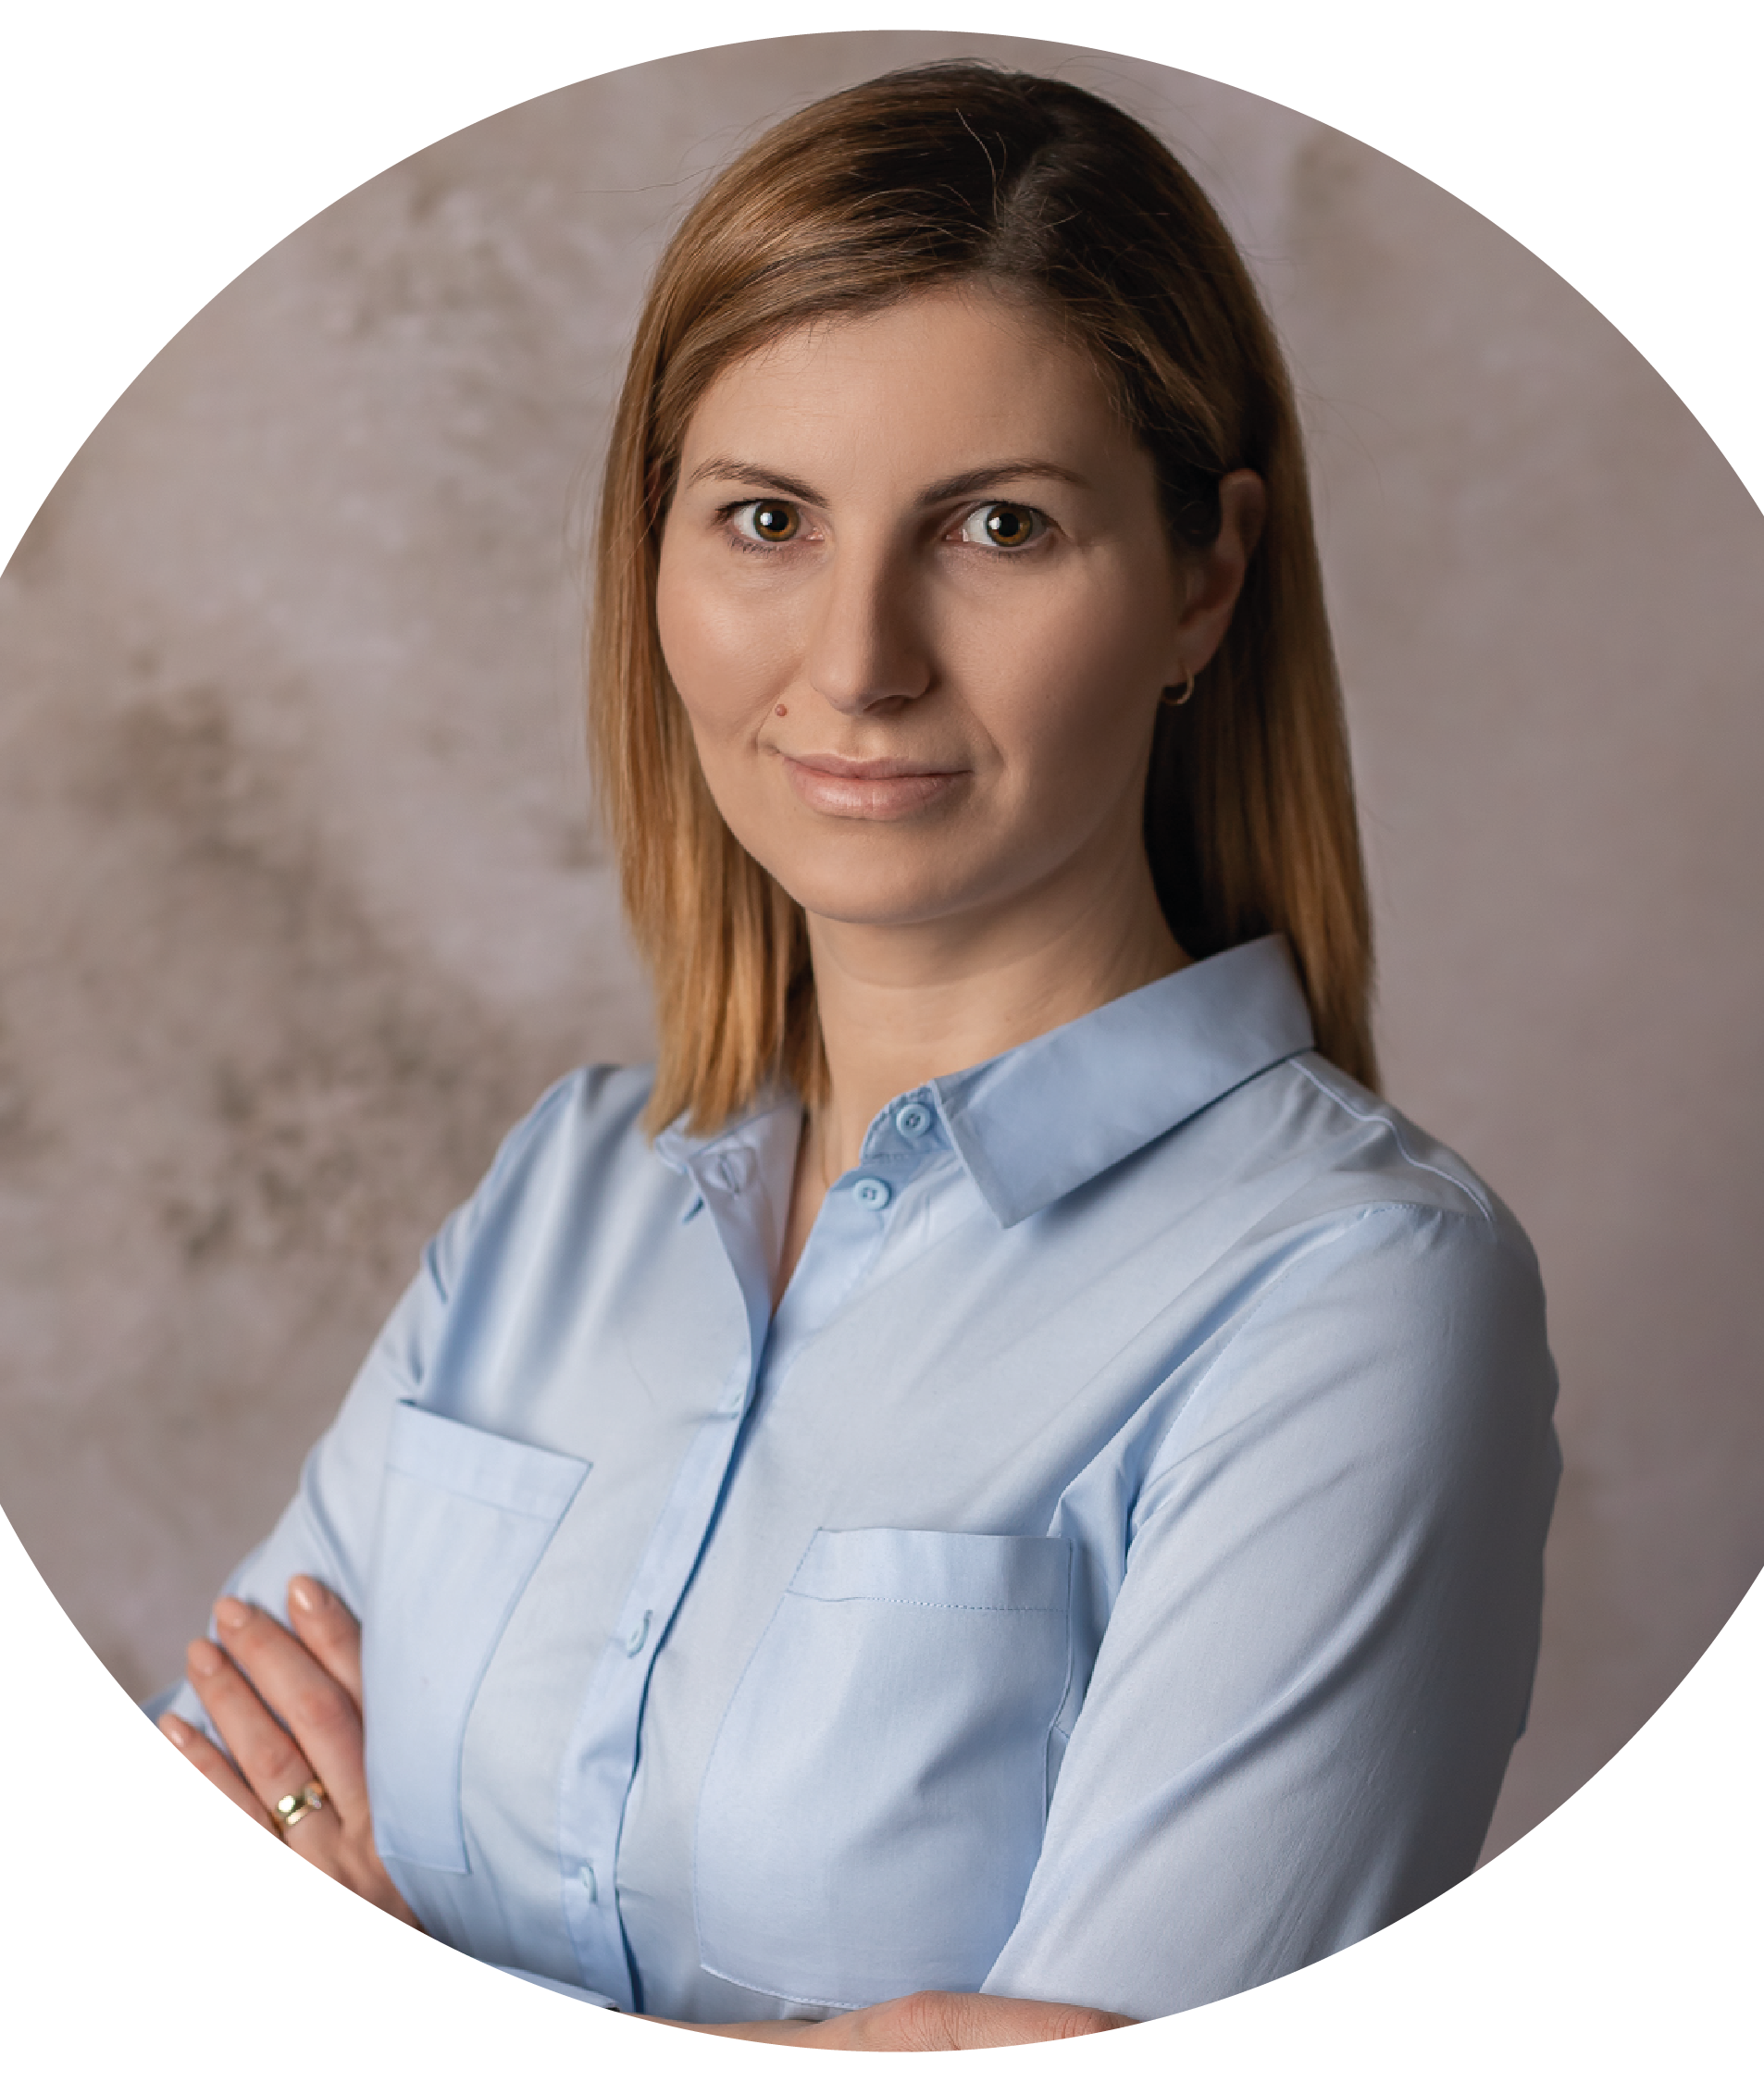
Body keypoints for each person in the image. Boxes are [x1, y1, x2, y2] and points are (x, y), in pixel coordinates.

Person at [148, 63, 1560, 2050]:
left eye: (997, 525)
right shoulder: (561, 1199)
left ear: (1204, 581)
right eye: (767, 519)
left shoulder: (1359, 1296)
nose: (857, 659)